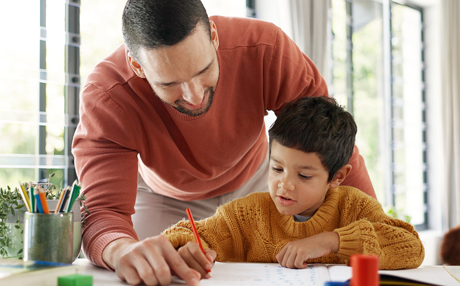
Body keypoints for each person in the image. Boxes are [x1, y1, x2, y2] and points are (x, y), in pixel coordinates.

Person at [72, 0, 376, 286]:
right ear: (137, 67)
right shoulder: (108, 94)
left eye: (203, 70)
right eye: (169, 83)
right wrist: (120, 249)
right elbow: (103, 212)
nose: (193, 96)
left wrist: (373, 228)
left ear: (213, 37)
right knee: (152, 276)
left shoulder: (264, 47)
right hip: (162, 195)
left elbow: (330, 145)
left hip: (258, 182)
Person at [162, 96, 424, 275]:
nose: (284, 185)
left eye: (304, 176)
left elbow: (411, 247)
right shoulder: (247, 215)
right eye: (277, 169)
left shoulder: (353, 207)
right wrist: (186, 248)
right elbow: (182, 234)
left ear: (337, 177)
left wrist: (331, 241)